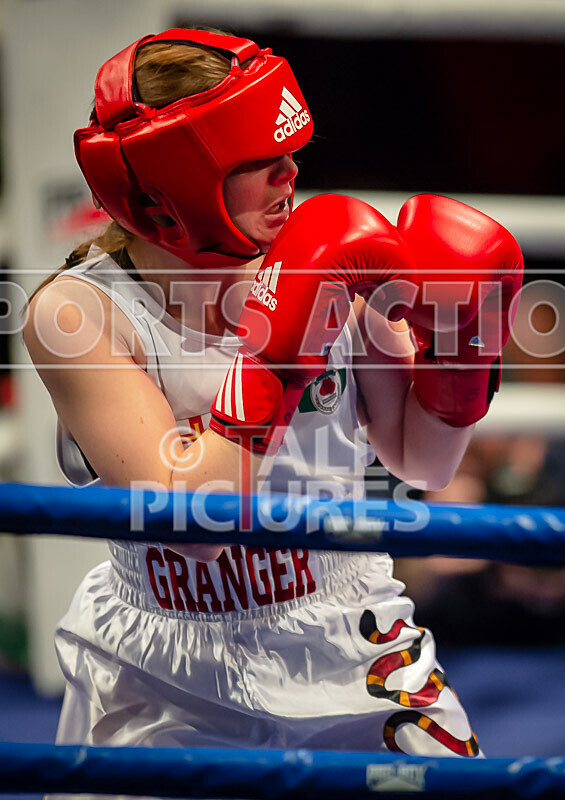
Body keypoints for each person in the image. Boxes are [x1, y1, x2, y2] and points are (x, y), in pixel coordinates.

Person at [24, 26, 522, 768]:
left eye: (291, 150)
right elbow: (191, 522)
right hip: (165, 661)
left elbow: (421, 458)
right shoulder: (79, 314)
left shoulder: (329, 260)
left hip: (346, 628)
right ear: (173, 182)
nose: (291, 173)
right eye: (260, 162)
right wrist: (277, 350)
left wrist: (462, 349)